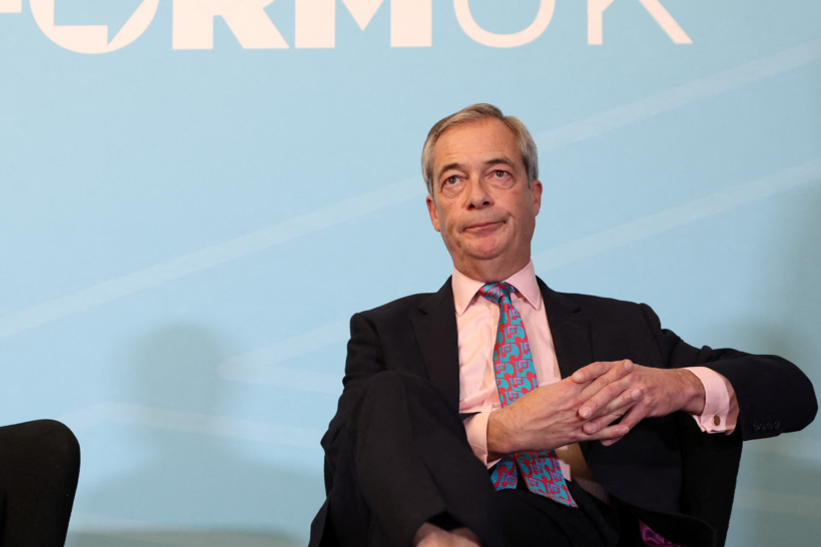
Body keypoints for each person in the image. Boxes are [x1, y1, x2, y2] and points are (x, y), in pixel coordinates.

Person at [308, 104, 816, 547]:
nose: (477, 196)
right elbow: (348, 463)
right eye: (453, 180)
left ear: (535, 195)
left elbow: (792, 392)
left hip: (571, 526)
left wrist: (676, 386)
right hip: (419, 529)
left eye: (499, 174)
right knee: (388, 396)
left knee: (512, 513)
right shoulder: (385, 330)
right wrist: (500, 431)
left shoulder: (620, 326)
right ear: (434, 213)